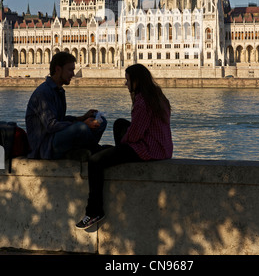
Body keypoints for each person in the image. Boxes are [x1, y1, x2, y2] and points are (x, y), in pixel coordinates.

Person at [76, 63, 173, 230]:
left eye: (127, 80)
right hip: (162, 147)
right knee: (119, 124)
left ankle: (94, 211)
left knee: (95, 161)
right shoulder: (157, 95)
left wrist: (122, 145)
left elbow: (135, 135)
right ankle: (117, 154)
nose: (125, 83)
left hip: (149, 149)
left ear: (136, 81)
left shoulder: (143, 102)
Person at [25, 52, 107, 160]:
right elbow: (51, 125)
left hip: (56, 139)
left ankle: (82, 150)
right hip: (45, 146)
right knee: (81, 128)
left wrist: (82, 117)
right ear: (58, 69)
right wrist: (82, 123)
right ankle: (93, 149)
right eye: (70, 70)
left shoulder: (59, 91)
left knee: (101, 122)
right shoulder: (43, 93)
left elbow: (61, 119)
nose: (73, 74)